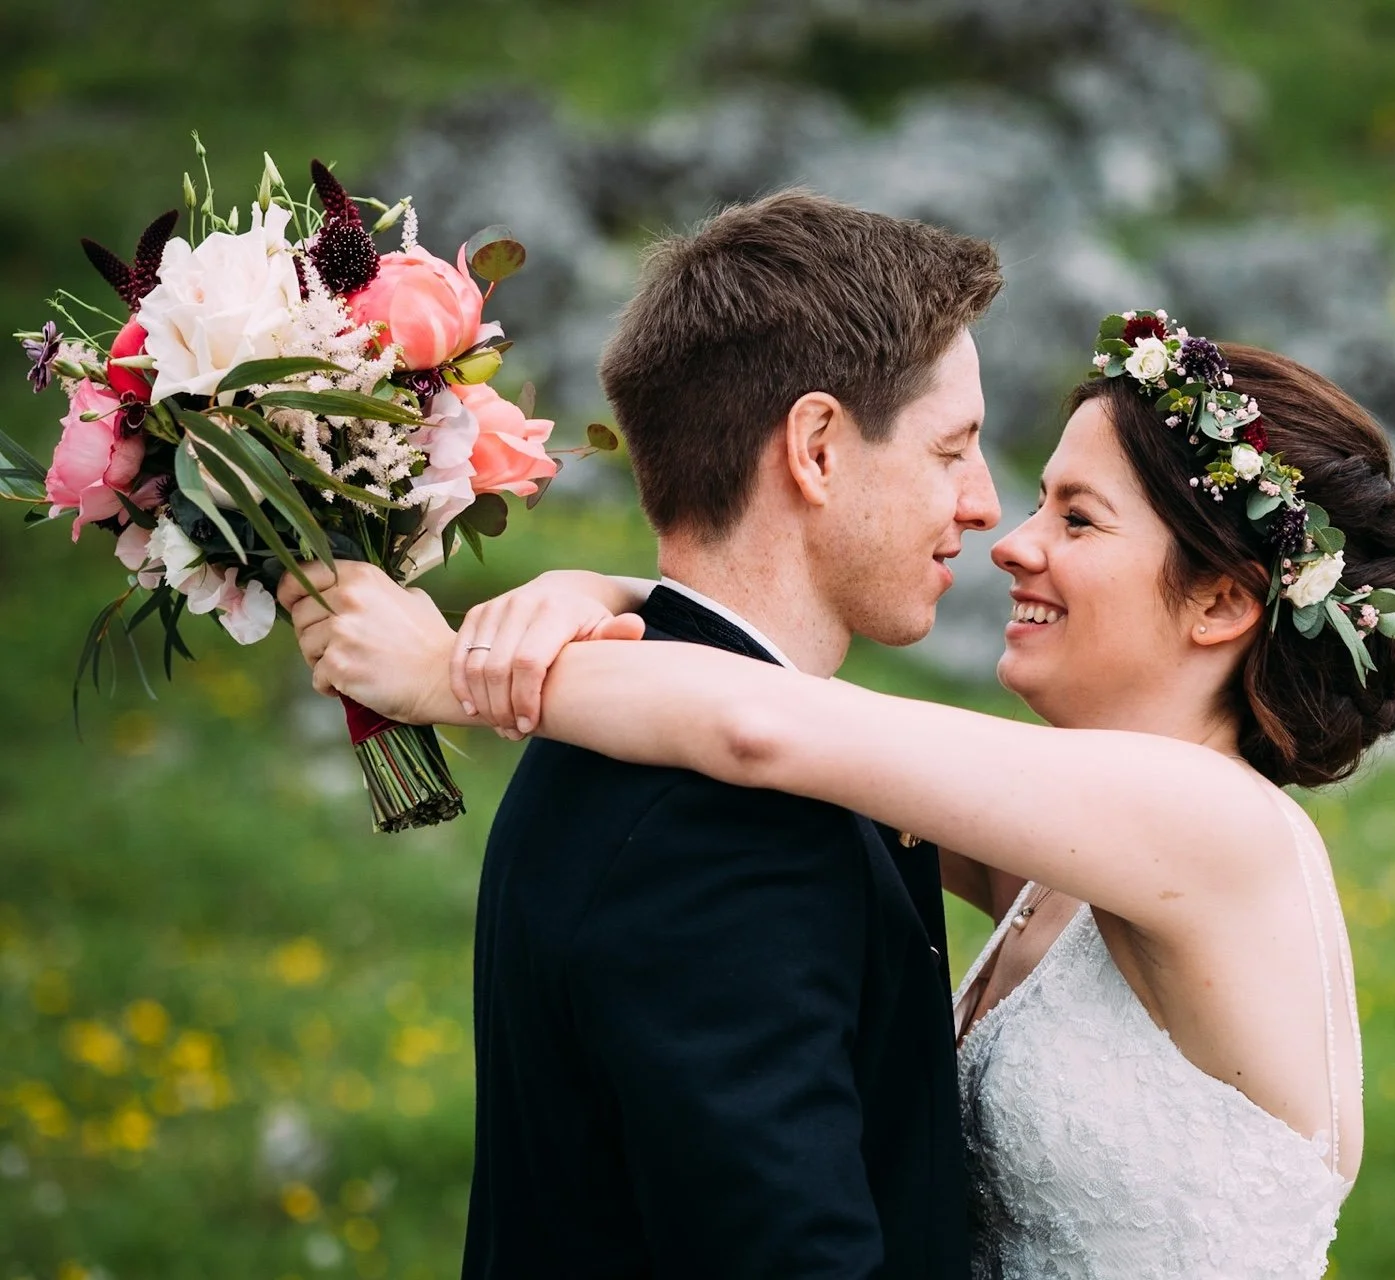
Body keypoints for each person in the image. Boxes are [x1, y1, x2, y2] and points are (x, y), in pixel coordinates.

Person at [287, 307, 1395, 1277]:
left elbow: (765, 726)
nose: (1009, 538)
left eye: (1077, 517)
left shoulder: (1211, 827)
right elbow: (769, 699)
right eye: (1030, 493)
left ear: (1218, 603)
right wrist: (600, 588)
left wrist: (453, 671)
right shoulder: (1064, 856)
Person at [282, 191, 1004, 1278]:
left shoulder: (634, 726)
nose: (986, 502)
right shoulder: (722, 832)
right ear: (815, 448)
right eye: (953, 449)